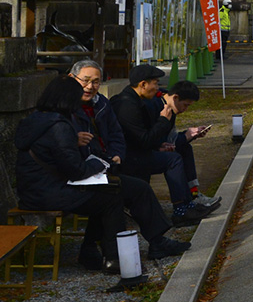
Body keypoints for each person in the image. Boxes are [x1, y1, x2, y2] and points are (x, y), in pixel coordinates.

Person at [15, 77, 189, 272]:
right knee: (111, 197)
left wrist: (87, 150)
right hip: (49, 191)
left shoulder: (42, 120)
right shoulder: (59, 126)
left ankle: (152, 242)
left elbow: (58, 154)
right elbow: (76, 169)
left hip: (43, 187)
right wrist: (102, 164)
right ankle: (111, 256)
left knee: (134, 187)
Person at [113, 66, 219, 226]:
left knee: (180, 151)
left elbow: (147, 138)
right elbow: (144, 139)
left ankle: (190, 200)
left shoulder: (140, 100)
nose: (158, 88)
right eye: (155, 83)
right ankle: (181, 210)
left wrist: (161, 144)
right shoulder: (130, 105)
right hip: (129, 157)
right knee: (173, 160)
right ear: (143, 84)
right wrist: (164, 122)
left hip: (138, 151)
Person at [68, 60, 125, 168]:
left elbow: (116, 133)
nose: (90, 87)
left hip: (105, 162)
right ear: (71, 78)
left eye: (95, 82)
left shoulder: (102, 103)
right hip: (79, 167)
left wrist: (117, 154)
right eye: (85, 80)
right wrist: (73, 140)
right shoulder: (62, 106)